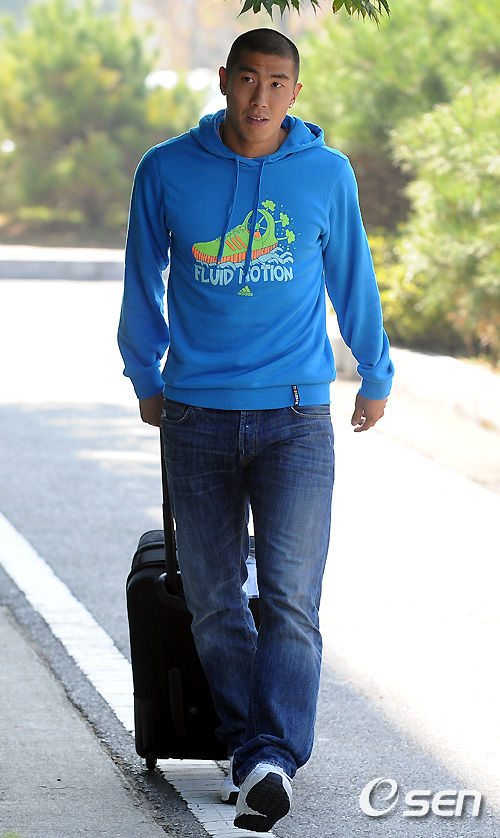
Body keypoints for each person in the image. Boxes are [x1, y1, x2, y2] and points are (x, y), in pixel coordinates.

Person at [118, 27, 394, 833]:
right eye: (247, 79)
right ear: (224, 80)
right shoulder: (166, 169)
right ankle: (254, 753)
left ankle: (271, 756)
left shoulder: (326, 173)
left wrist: (375, 372)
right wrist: (145, 375)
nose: (260, 97)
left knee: (291, 598)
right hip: (196, 413)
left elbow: (353, 278)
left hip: (296, 417)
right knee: (212, 600)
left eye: (277, 83)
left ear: (295, 93)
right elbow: (141, 278)